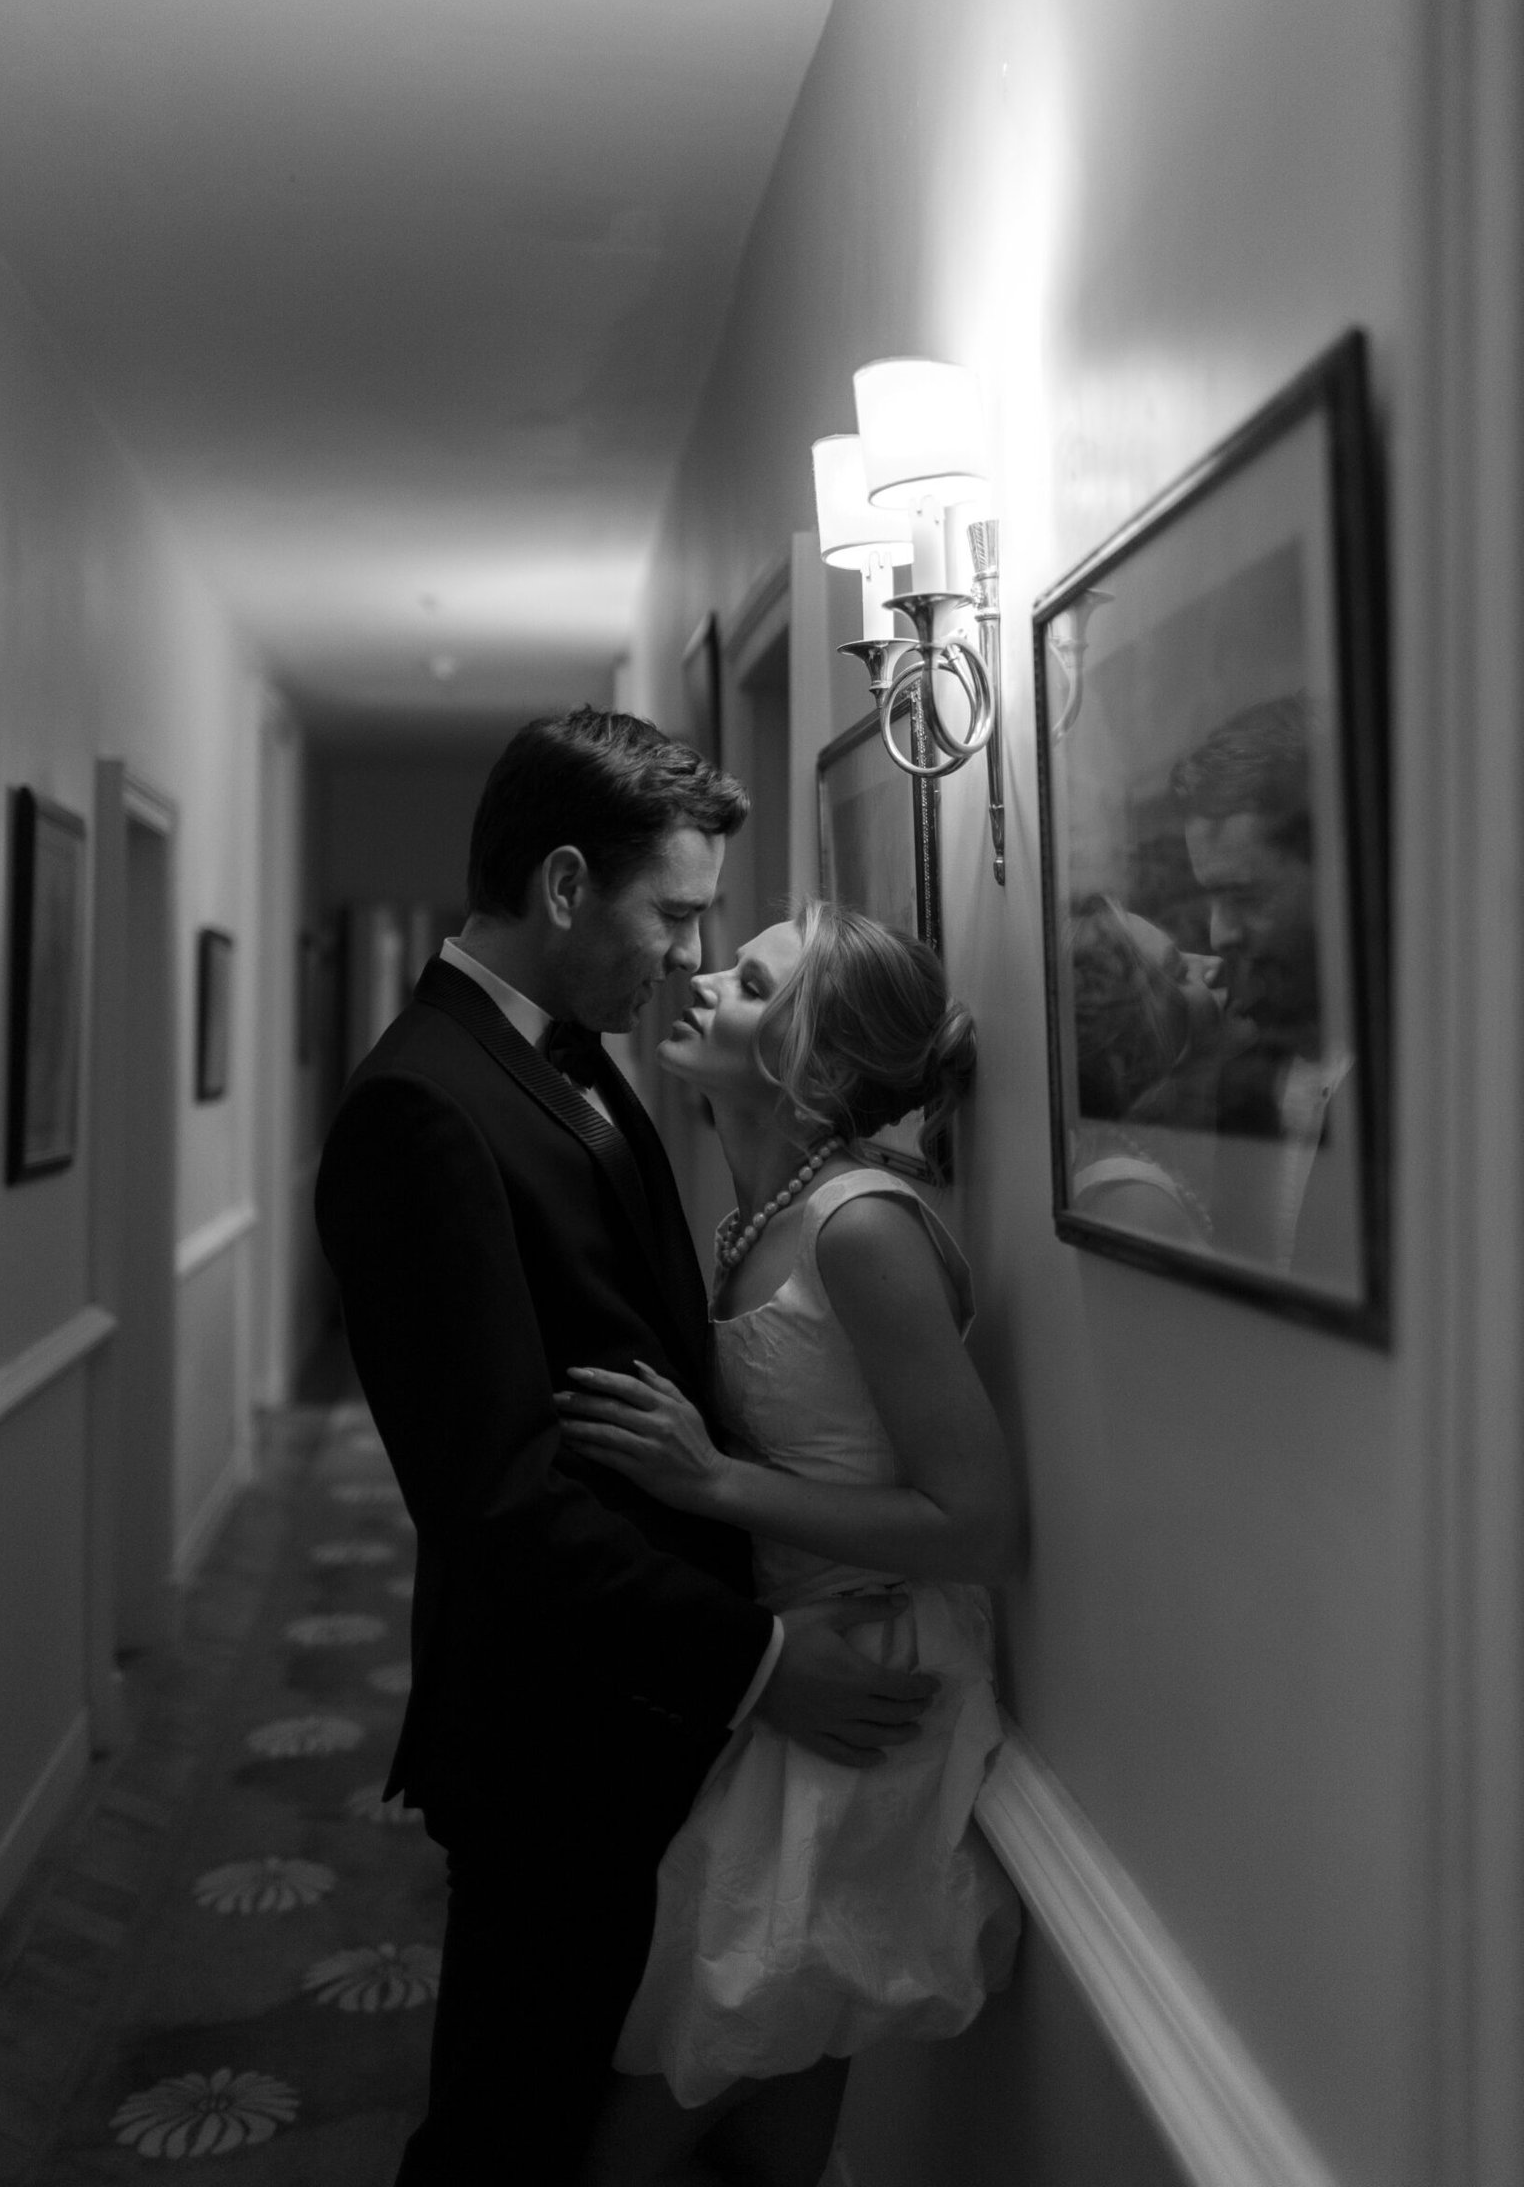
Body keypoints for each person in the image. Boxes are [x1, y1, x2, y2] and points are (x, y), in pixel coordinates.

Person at [314, 712, 936, 2186]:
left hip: (650, 1709)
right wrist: (765, 1668)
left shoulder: (572, 1061)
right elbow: (496, 1496)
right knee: (508, 2133)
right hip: (558, 1723)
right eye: (673, 913)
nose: (682, 951)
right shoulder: (423, 1103)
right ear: (567, 884)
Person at [558, 901, 1021, 2187]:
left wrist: (714, 1487)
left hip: (873, 1683)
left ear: (811, 1066)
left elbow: (977, 1523)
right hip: (803, 1667)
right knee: (773, 2086)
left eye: (748, 982)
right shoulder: (764, 1209)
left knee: (689, 2061)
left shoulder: (858, 1226)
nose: (699, 983)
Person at [1170, 695, 1359, 1285]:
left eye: (1248, 897)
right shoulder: (1244, 1077)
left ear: (1340, 872)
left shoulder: (1446, 1079)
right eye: (1211, 898)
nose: (1220, 934)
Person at [1065, 891, 1230, 1245]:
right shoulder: (1134, 1201)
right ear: (1135, 1036)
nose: (1213, 966)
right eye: (1181, 972)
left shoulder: (1157, 1150)